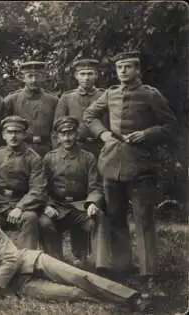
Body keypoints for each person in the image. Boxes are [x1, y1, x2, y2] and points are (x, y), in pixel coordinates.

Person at [0, 202, 151, 312]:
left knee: (78, 276)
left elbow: (12, 259)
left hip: (30, 260)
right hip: (17, 285)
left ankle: (132, 297)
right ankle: (115, 304)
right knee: (71, 294)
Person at [83, 51, 177, 296]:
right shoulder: (110, 93)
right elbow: (89, 115)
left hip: (140, 166)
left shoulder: (150, 94)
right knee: (115, 218)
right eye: (119, 68)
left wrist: (147, 134)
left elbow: (170, 126)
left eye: (128, 67)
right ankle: (124, 267)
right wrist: (103, 135)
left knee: (144, 220)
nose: (123, 72)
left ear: (137, 69)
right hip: (112, 165)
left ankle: (149, 275)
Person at [39, 116, 111, 270]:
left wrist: (92, 202)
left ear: (77, 135)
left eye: (70, 133)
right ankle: (54, 262)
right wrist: (46, 205)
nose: (67, 137)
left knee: (99, 217)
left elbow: (96, 186)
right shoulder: (49, 158)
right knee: (44, 222)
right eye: (63, 134)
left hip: (80, 206)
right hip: (57, 207)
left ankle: (101, 265)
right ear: (57, 137)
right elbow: (41, 187)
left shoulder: (88, 158)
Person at [0, 116, 46, 249]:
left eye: (17, 132)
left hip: (21, 201)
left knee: (30, 218)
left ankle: (26, 262)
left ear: (24, 135)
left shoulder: (33, 158)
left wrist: (20, 207)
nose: (13, 136)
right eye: (9, 132)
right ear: (4, 135)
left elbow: (37, 189)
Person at [4, 61, 58, 157]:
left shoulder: (53, 100)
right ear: (23, 78)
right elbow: (4, 128)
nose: (34, 80)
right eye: (30, 76)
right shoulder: (12, 100)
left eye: (37, 76)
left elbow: (56, 129)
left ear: (43, 77)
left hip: (46, 149)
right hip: (20, 149)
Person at [53, 58, 106, 157]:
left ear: (96, 75)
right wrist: (59, 150)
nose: (86, 78)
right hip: (75, 147)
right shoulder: (67, 98)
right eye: (82, 74)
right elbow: (57, 126)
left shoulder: (104, 96)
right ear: (76, 76)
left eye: (90, 74)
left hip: (100, 146)